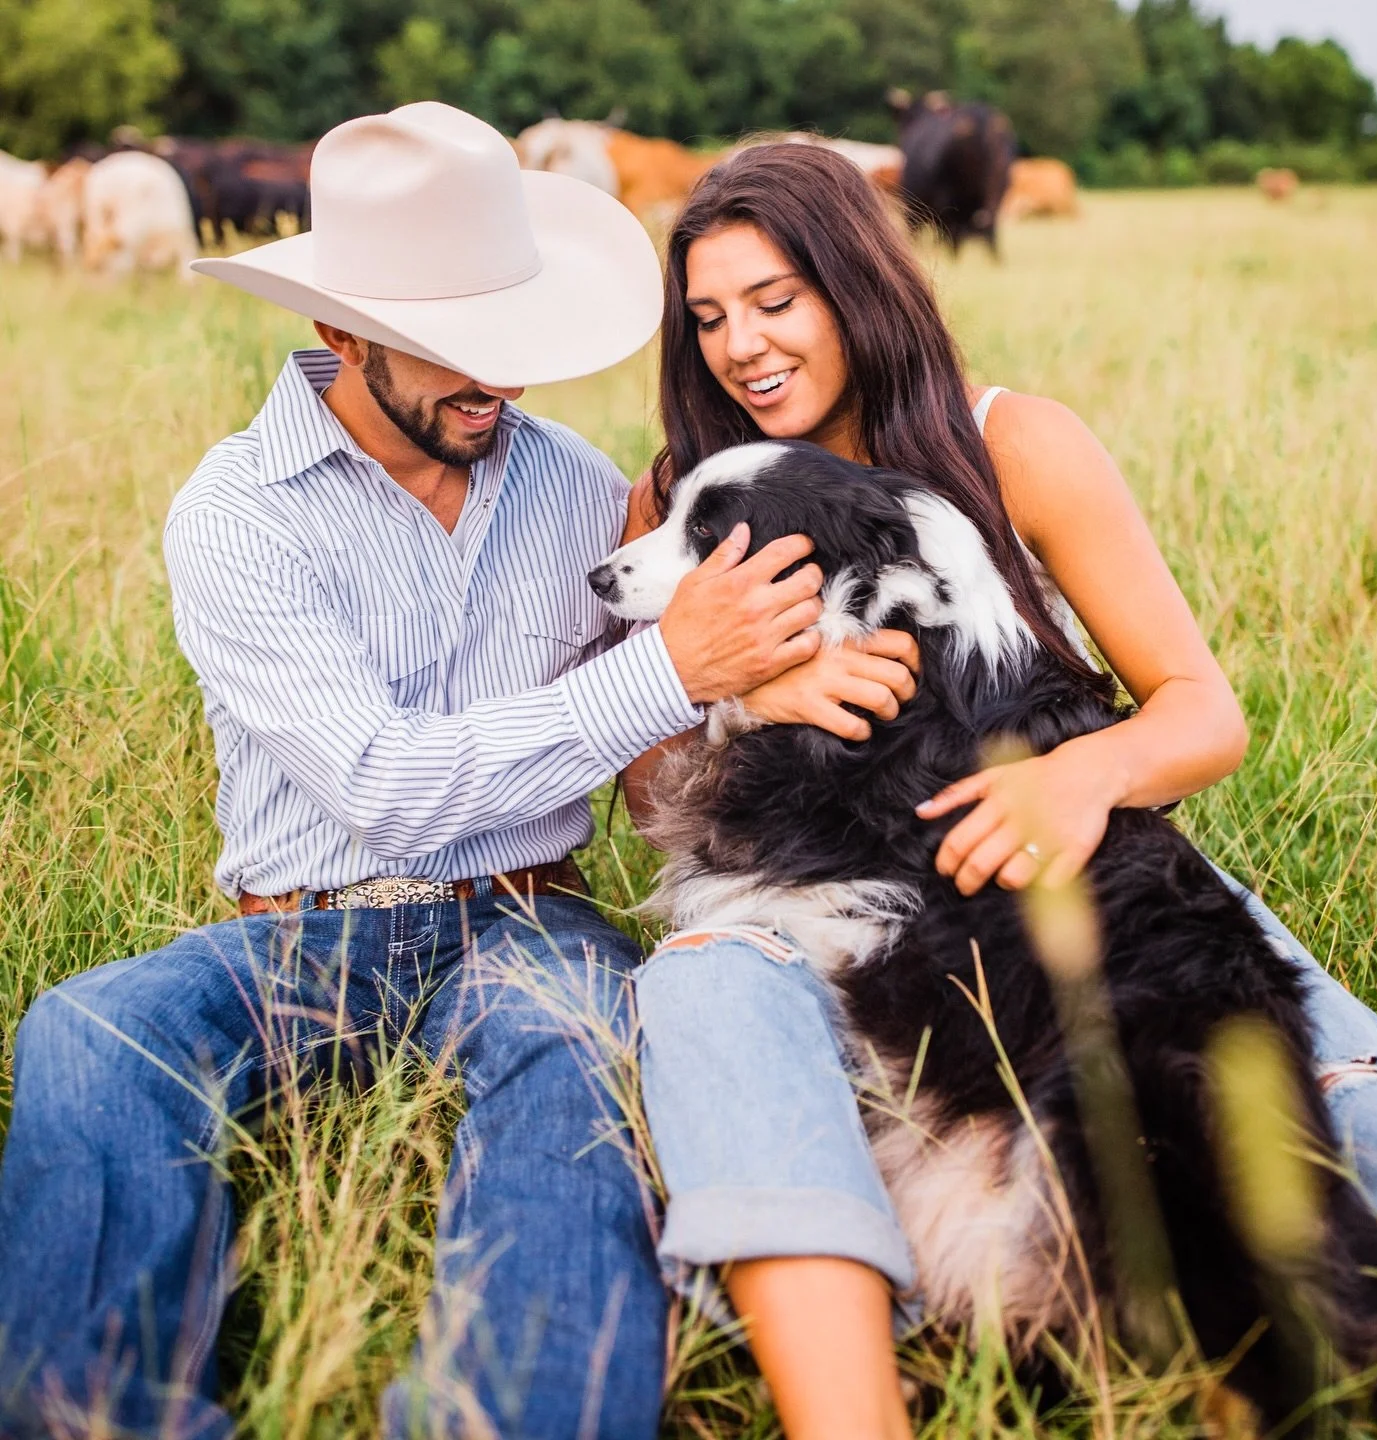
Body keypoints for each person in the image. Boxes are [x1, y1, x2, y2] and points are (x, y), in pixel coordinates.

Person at [0, 107, 919, 1440]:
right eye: (452, 346)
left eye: (512, 336)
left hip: (525, 914)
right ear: (341, 331)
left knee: (579, 1044)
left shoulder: (583, 490)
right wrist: (675, 668)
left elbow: (664, 764)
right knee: (85, 1036)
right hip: (295, 933)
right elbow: (379, 783)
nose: (498, 378)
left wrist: (743, 695)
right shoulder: (237, 511)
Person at [624, 143, 1377, 1440]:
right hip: (840, 915)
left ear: (854, 284)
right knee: (715, 1008)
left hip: (1085, 877)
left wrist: (1087, 773)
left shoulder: (1014, 444)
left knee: (1360, 1111)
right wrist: (734, 698)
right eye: (709, 316)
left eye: (775, 300)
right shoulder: (681, 501)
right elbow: (645, 782)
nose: (741, 345)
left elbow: (1201, 707)